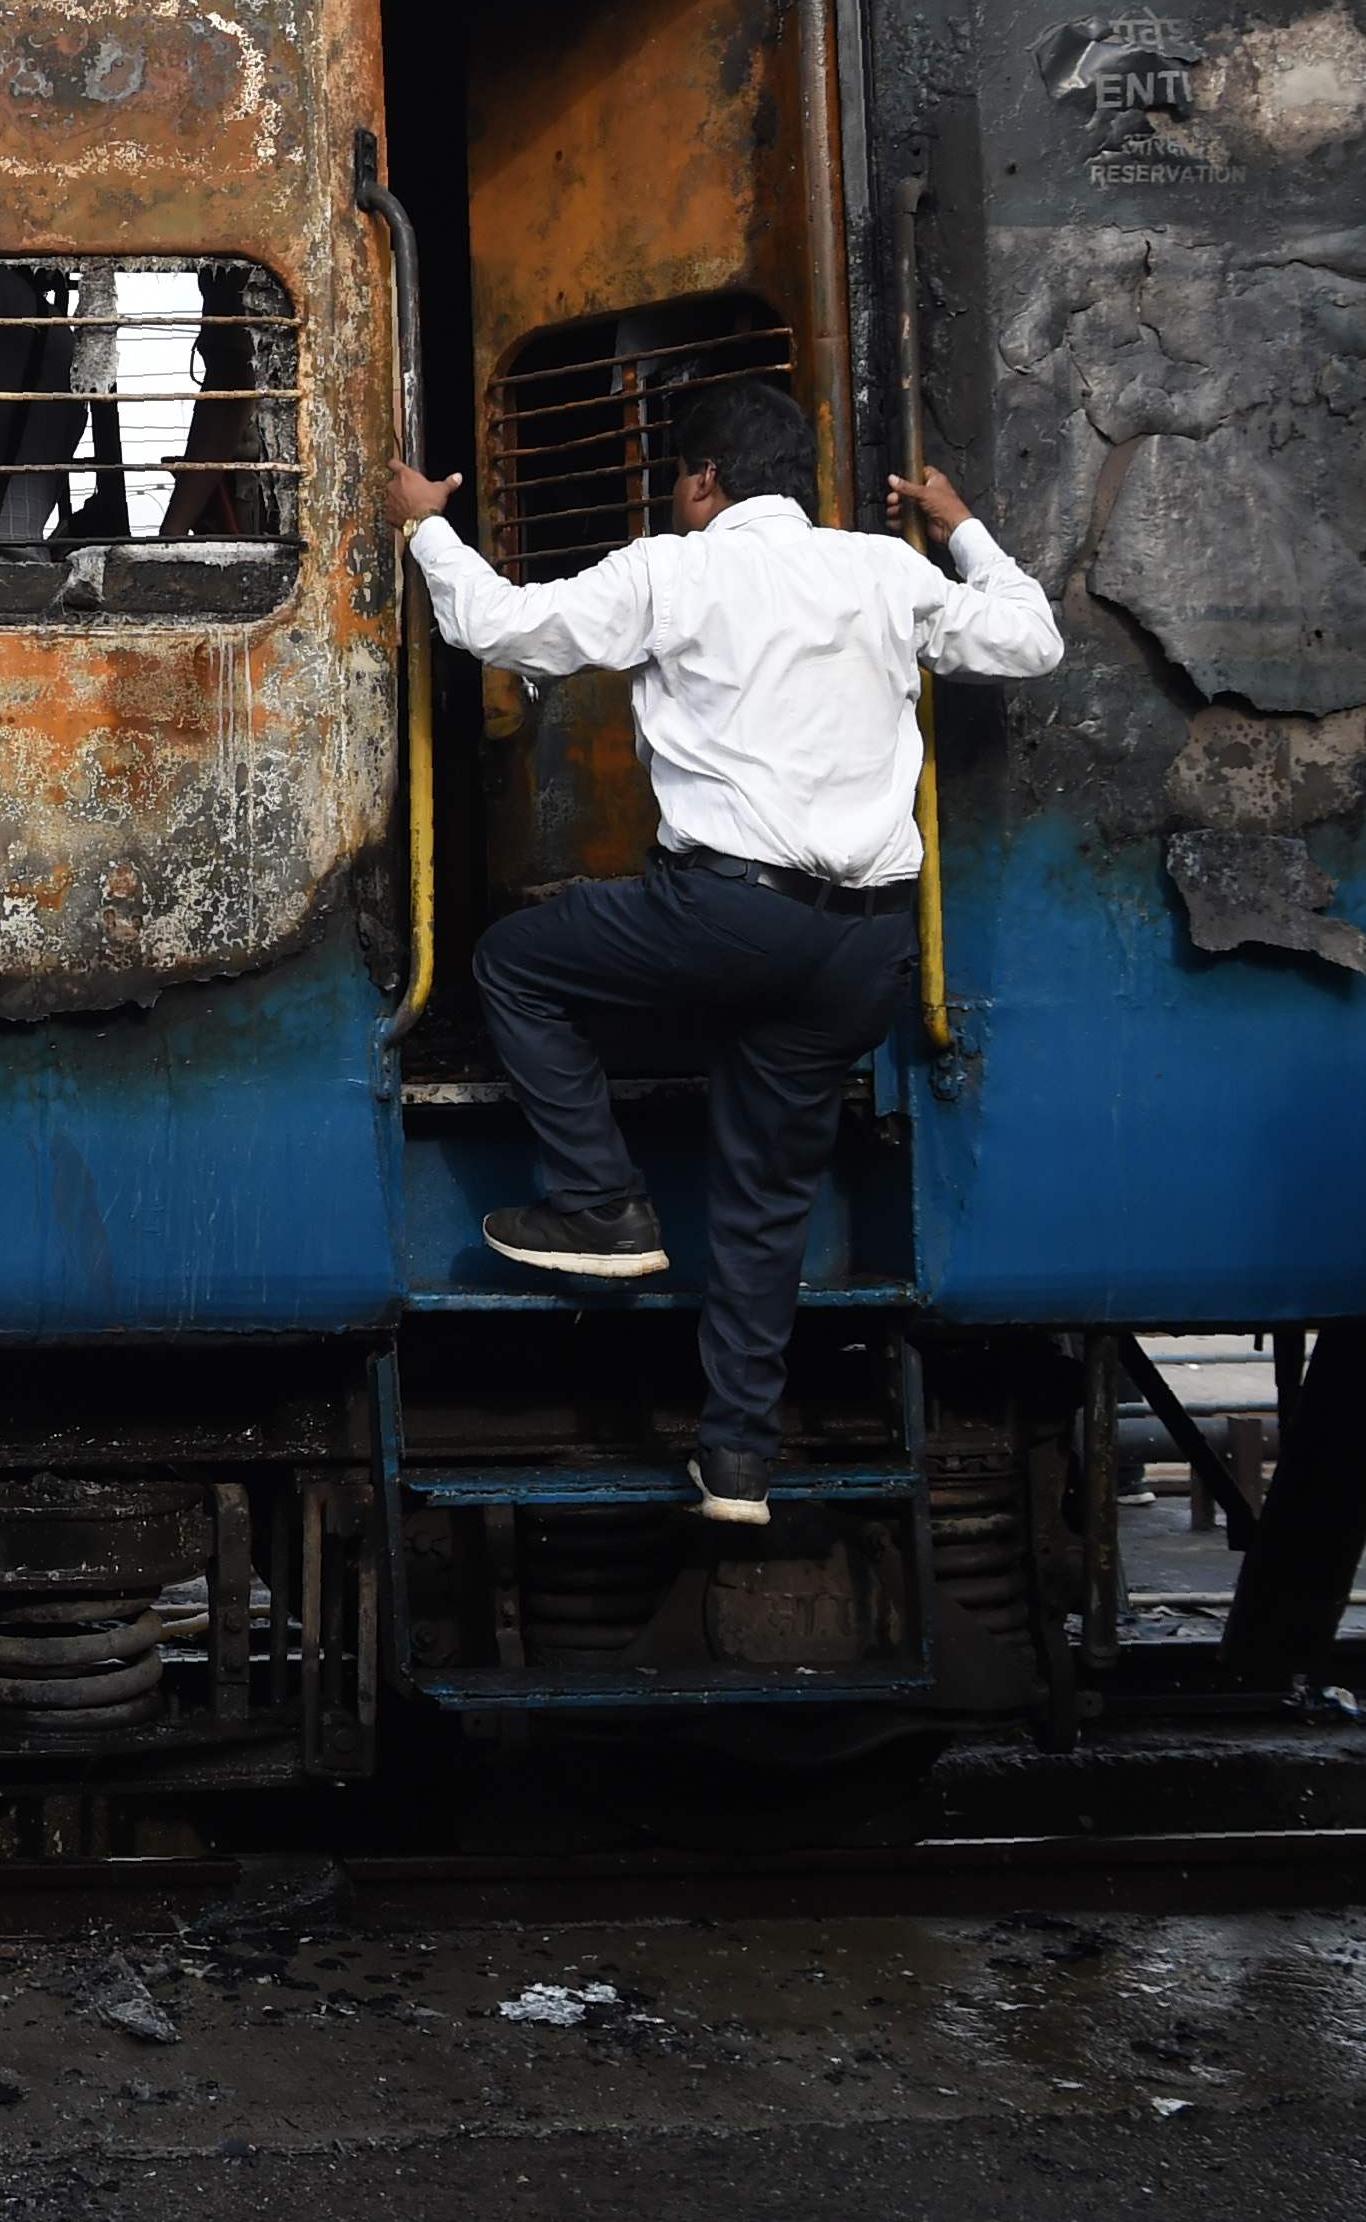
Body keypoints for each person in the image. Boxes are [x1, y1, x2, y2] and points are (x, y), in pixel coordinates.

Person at [392, 379, 1062, 1525]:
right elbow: (1030, 640)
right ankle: (738, 1463)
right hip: (862, 947)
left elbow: (494, 625)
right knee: (765, 1198)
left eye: (678, 477)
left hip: (724, 917)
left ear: (704, 478)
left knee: (514, 965)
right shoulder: (886, 571)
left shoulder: (673, 568)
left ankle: (602, 1203)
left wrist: (424, 522)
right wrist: (958, 526)